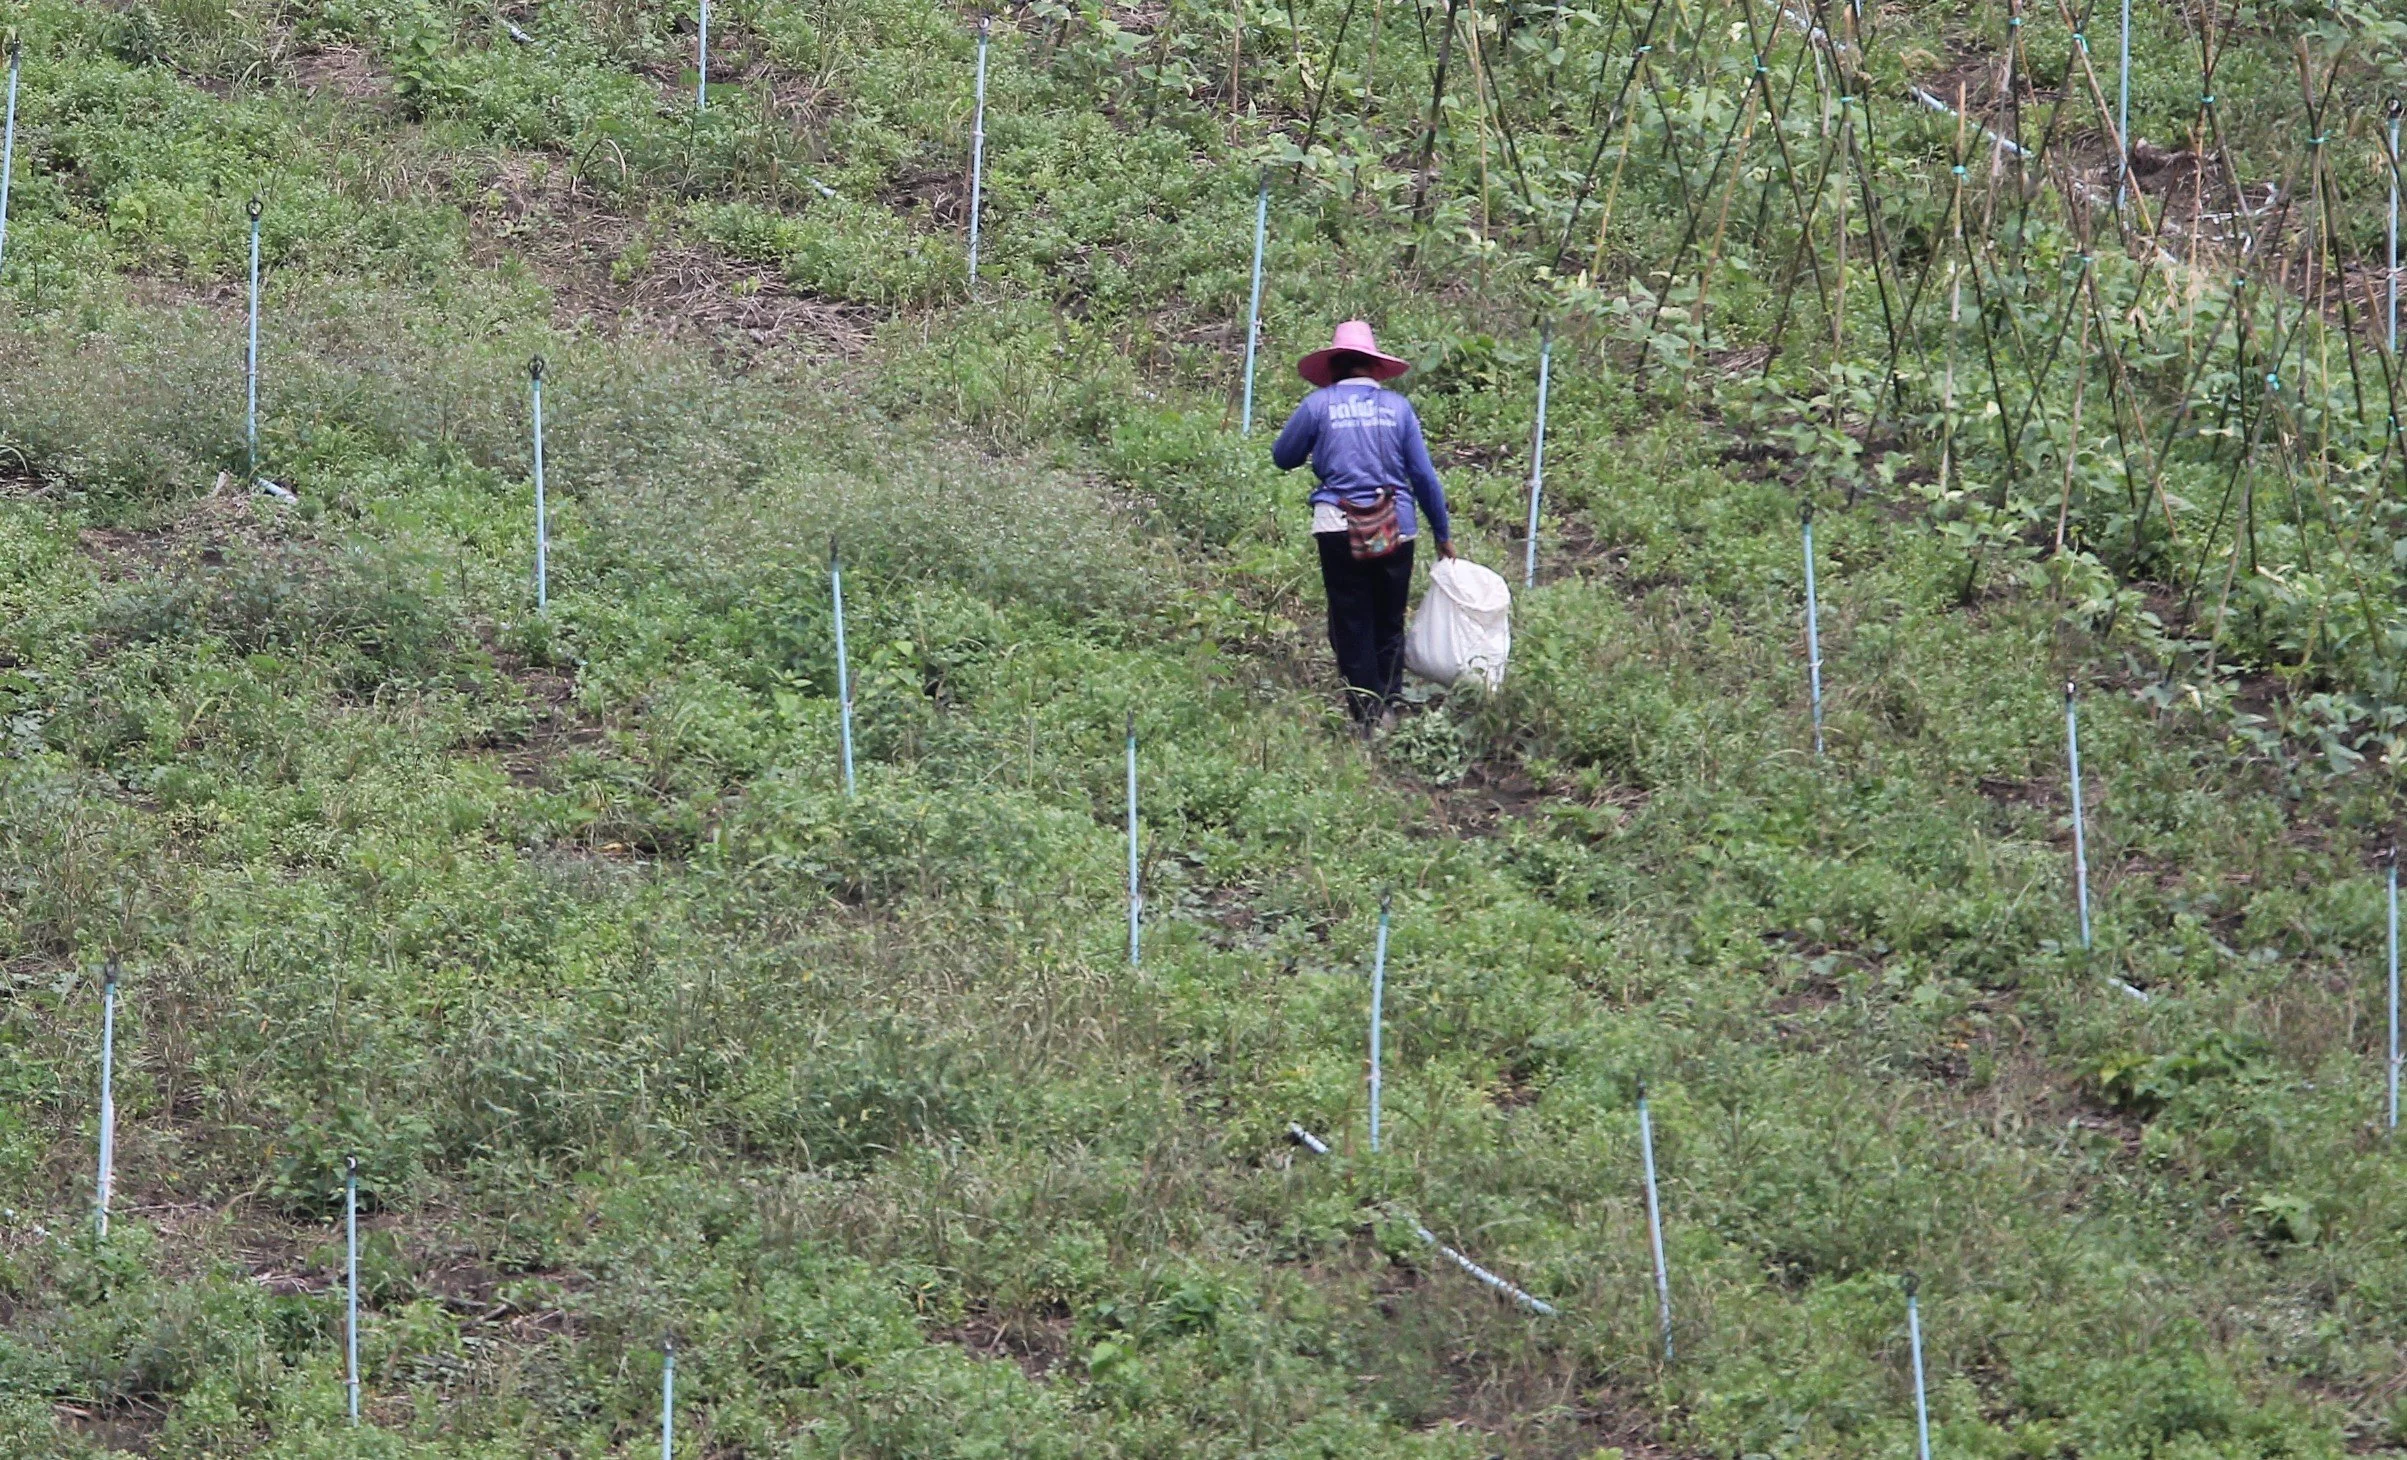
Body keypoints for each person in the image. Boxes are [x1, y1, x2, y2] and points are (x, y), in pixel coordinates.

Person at [1270, 320, 1455, 730]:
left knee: (1350, 619)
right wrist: (1442, 533)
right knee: (1389, 618)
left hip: (1338, 523)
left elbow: (1283, 457)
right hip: (1397, 525)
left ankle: (1367, 716)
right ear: (1373, 367)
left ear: (1335, 366)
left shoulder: (1318, 406)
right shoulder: (1398, 409)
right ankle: (1391, 704)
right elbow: (1423, 476)